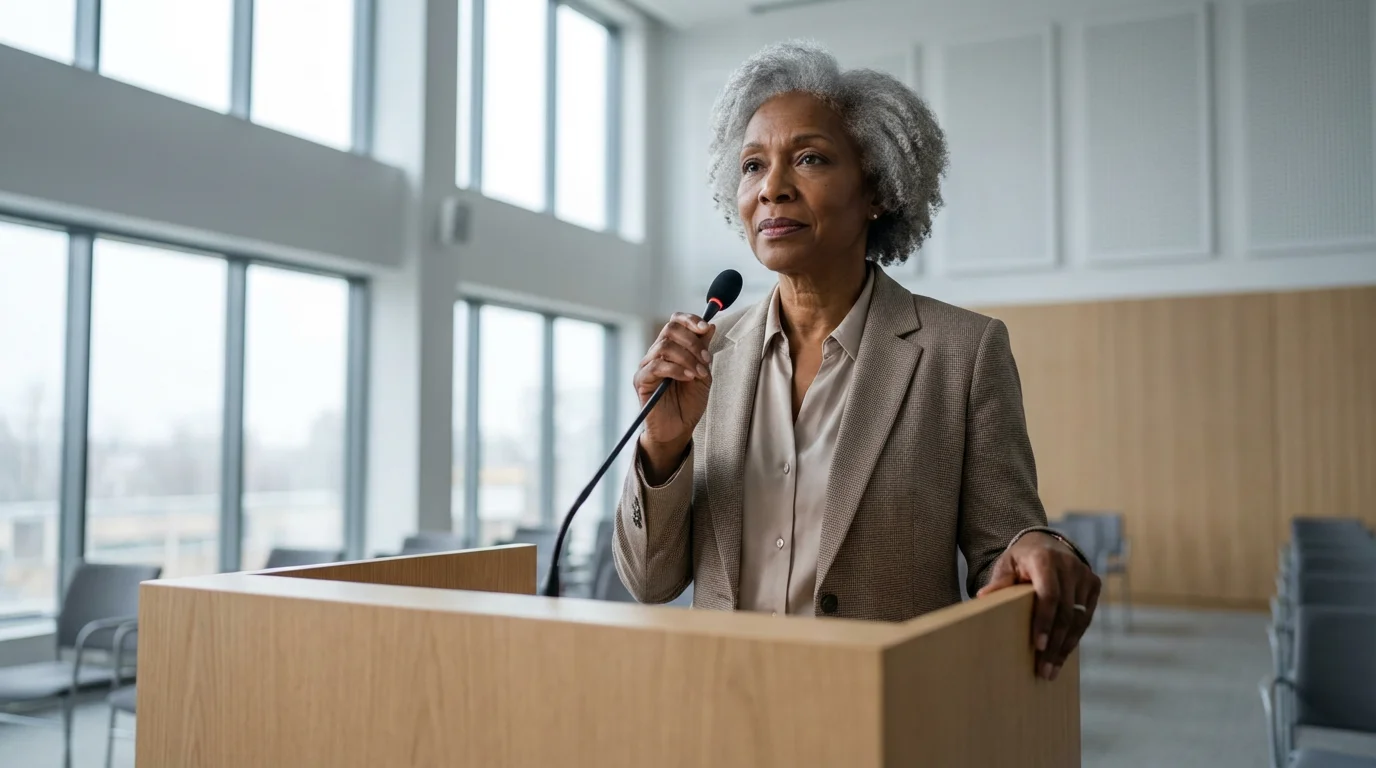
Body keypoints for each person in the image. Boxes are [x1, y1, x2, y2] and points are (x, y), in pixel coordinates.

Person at [613, 40, 1099, 681]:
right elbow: (649, 582)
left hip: (886, 712)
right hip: (725, 708)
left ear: (877, 187)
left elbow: (1004, 544)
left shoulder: (963, 351)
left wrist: (1038, 545)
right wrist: (665, 444)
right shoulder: (707, 357)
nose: (773, 189)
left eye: (809, 158)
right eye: (753, 166)